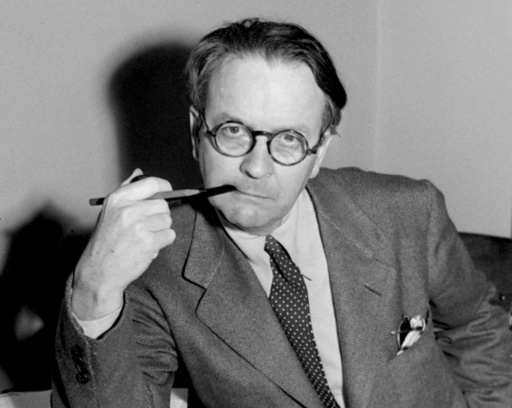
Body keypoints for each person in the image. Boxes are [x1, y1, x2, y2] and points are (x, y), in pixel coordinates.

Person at [52, 18, 512, 408]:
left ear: (320, 151)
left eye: (289, 139)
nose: (256, 167)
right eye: (233, 130)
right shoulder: (156, 262)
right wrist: (94, 290)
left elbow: (477, 325)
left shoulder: (408, 210)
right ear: (196, 132)